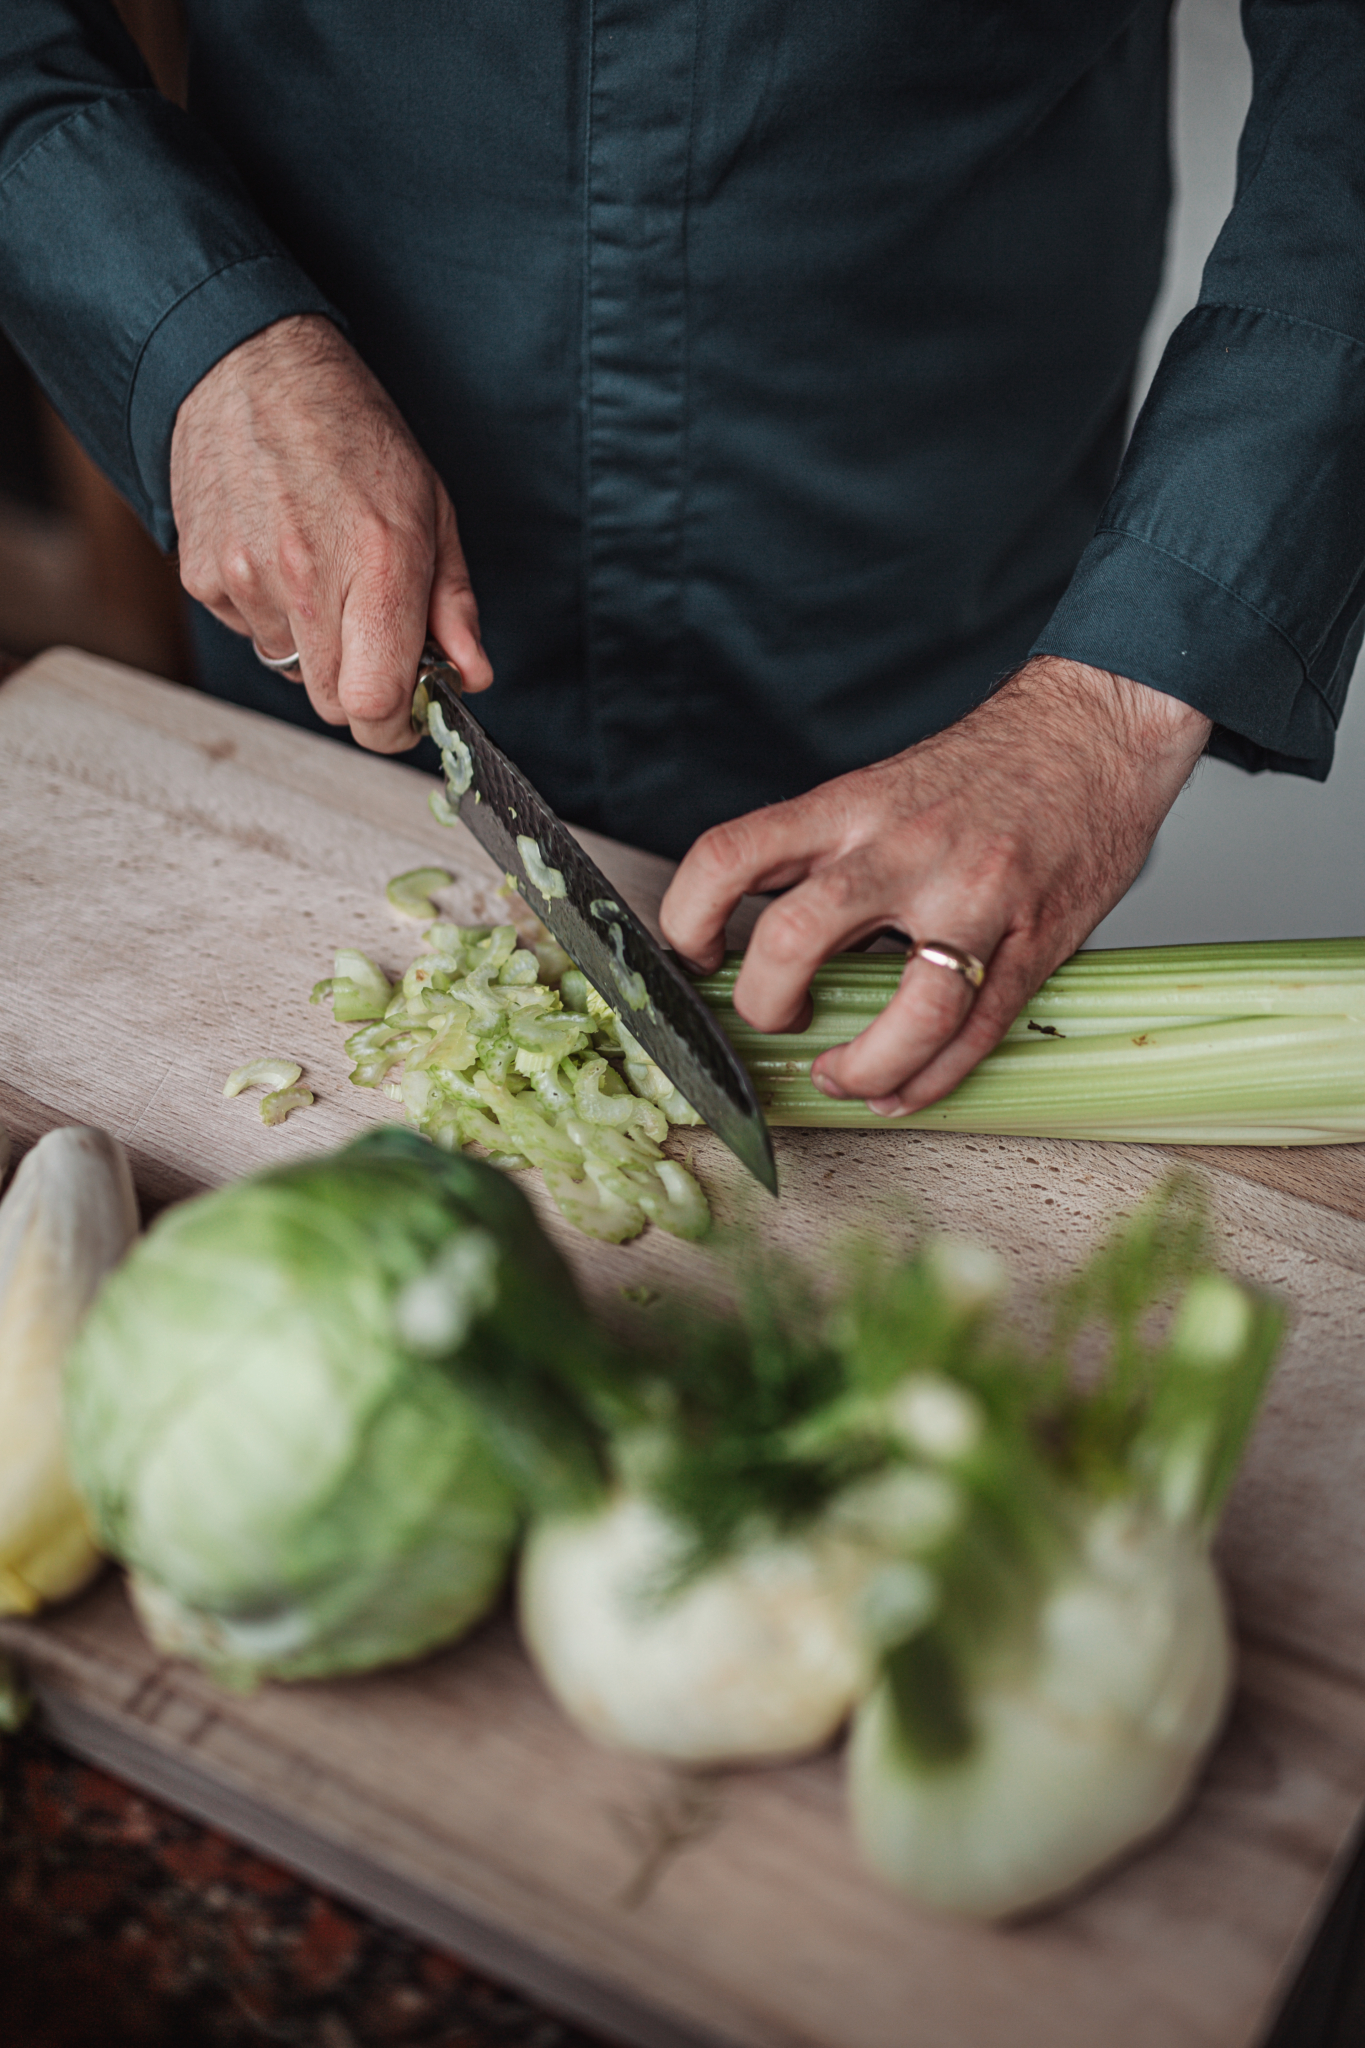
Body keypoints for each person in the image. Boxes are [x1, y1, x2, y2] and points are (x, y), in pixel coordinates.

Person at [3, 3, 1362, 1117]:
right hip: (320, 432)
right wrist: (190, 337)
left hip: (930, 516)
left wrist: (1119, 700)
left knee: (930, 1045)